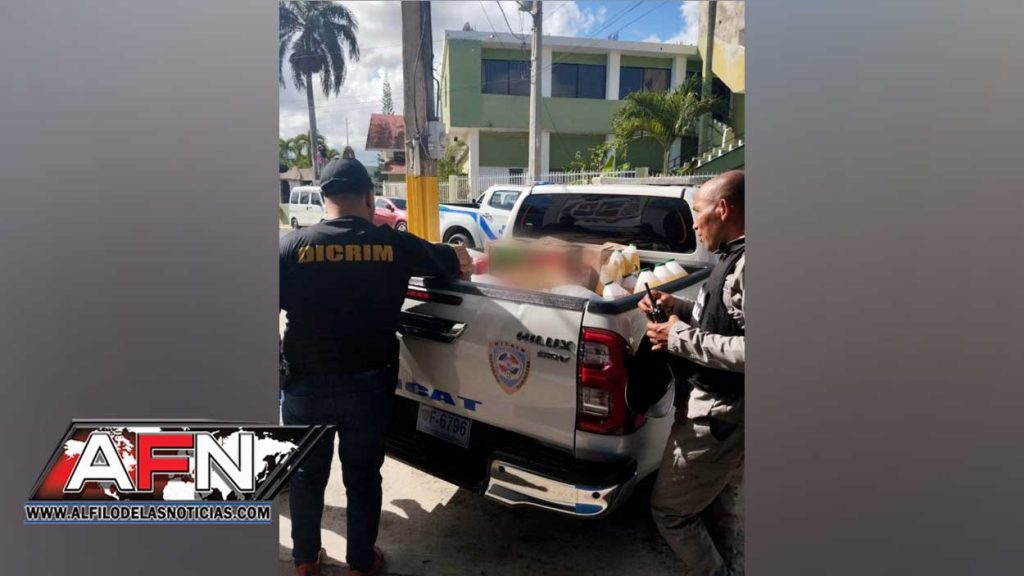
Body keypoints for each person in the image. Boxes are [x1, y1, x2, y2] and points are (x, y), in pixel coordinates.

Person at [279, 157, 472, 576]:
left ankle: (305, 561)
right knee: (363, 477)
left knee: (306, 474)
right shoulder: (393, 244)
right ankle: (361, 563)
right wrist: (461, 255)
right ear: (369, 198)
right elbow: (454, 260)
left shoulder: (291, 246)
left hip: (304, 385)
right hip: (367, 386)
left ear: (324, 197)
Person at [641, 170, 746, 576]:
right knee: (716, 505)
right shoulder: (731, 255)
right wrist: (678, 308)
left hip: (719, 416)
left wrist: (679, 337)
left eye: (697, 211)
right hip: (720, 413)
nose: (693, 223)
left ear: (723, 209)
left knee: (670, 511)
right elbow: (722, 319)